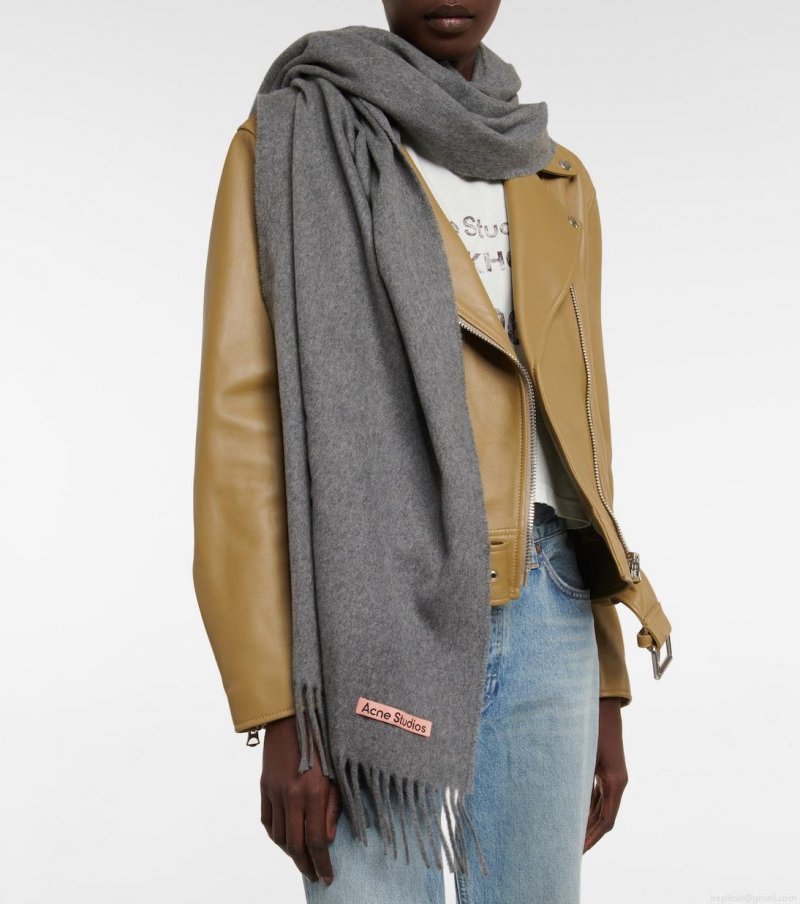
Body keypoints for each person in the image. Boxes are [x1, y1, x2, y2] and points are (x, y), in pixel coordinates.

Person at [192, 2, 674, 902]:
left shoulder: (555, 175)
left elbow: (579, 443)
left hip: (551, 605)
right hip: (365, 613)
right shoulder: (289, 144)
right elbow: (240, 435)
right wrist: (278, 706)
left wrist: (607, 679)